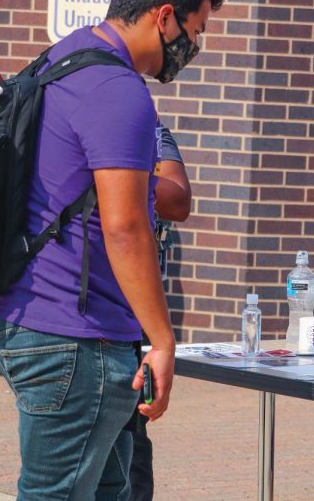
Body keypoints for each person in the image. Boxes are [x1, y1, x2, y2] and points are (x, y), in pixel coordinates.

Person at [0, 0, 223, 499]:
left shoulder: (61, 56)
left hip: (26, 314)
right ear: (165, 16)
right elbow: (126, 226)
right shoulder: (118, 91)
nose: (197, 44)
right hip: (73, 340)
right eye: (197, 28)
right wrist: (163, 340)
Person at [129, 125, 192, 501]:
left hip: (131, 313)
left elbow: (177, 200)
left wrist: (113, 175)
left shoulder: (150, 129)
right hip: (71, 307)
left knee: (132, 433)